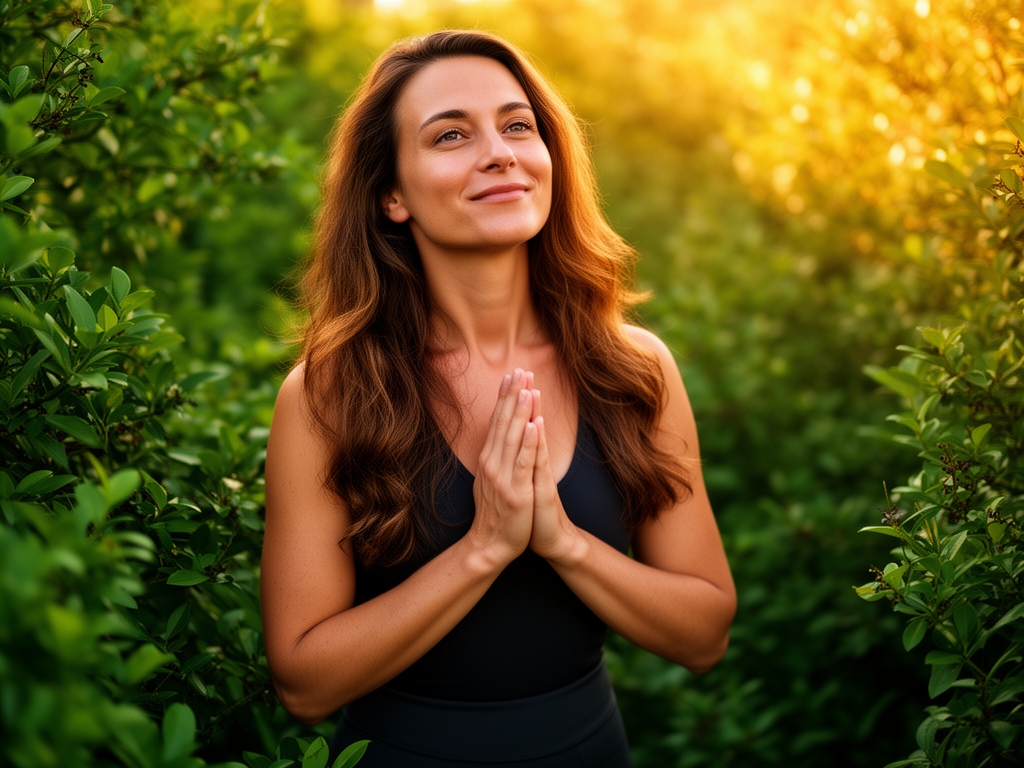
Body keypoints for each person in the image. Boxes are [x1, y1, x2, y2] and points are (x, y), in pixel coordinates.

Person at [260, 30, 736, 768]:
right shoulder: (327, 395)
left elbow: (705, 633)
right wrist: (482, 549)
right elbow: (305, 683)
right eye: (451, 134)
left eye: (518, 126)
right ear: (392, 195)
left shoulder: (634, 370)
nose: (500, 151)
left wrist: (562, 541)